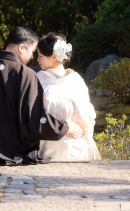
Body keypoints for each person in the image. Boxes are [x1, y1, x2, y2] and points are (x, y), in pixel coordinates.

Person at [0, 26, 84, 165]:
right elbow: (36, 118)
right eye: (32, 51)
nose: (32, 57)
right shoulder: (26, 74)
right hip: (11, 152)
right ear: (21, 47)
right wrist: (64, 128)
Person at [36, 33, 101, 162]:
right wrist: (64, 128)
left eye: (40, 56)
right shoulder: (39, 79)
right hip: (50, 147)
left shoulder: (76, 80)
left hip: (77, 146)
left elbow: (87, 114)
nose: (37, 60)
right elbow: (34, 114)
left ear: (54, 56)